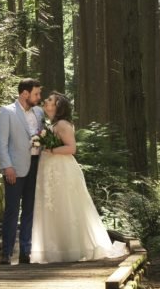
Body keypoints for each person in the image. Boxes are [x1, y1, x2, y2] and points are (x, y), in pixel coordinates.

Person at [31, 92, 127, 264]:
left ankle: (71, 248)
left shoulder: (63, 124)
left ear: (57, 106)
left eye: (50, 100)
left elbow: (71, 148)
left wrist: (50, 149)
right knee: (53, 206)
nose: (46, 101)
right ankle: (56, 248)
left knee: (65, 204)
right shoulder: (53, 124)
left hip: (62, 169)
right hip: (50, 168)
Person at [0, 78, 44, 265]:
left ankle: (25, 252)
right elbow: (1, 143)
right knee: (12, 211)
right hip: (14, 168)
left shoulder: (39, 112)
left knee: (29, 210)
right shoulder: (7, 112)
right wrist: (7, 166)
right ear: (25, 93)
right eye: (36, 94)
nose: (39, 97)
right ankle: (6, 253)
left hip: (36, 166)